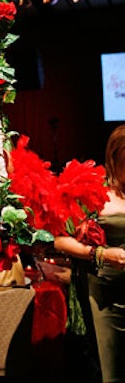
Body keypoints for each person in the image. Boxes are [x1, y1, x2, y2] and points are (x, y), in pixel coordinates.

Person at [54, 124, 125, 383]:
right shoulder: (95, 194)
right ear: (115, 160)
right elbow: (60, 241)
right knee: (111, 367)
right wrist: (103, 255)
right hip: (105, 296)